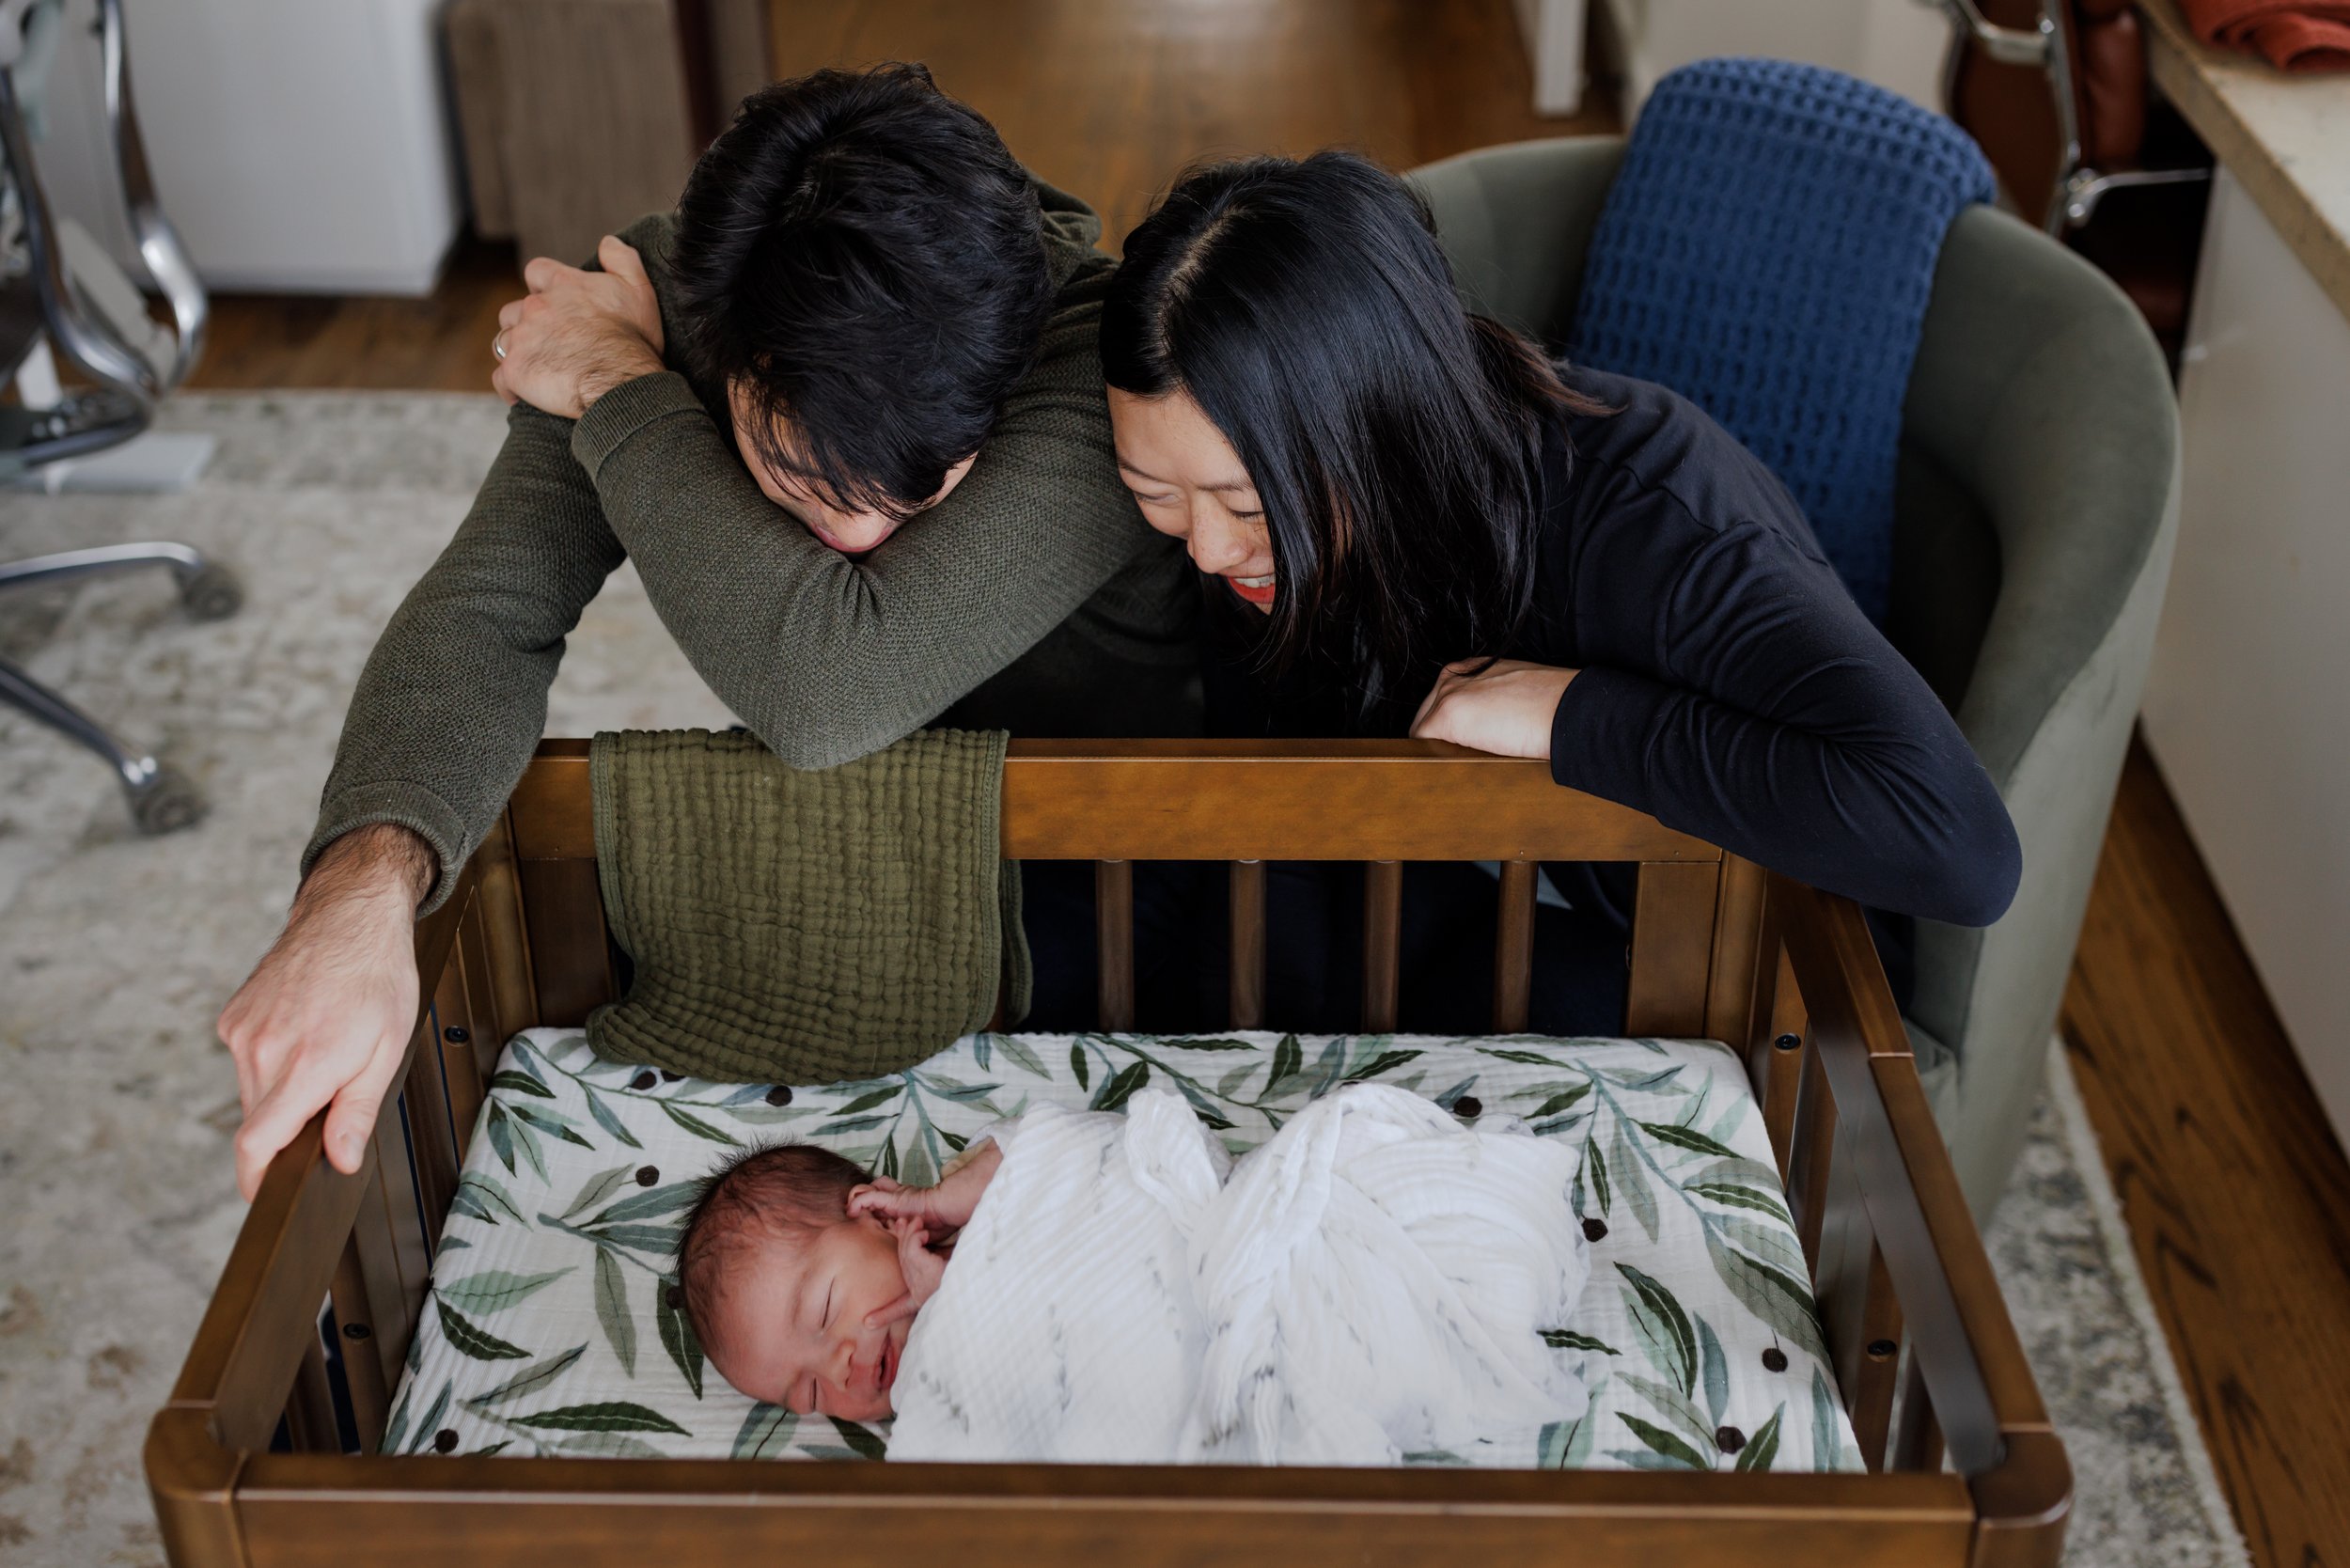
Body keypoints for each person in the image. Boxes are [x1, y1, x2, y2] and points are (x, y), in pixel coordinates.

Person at [214, 64, 1198, 1200]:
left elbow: (823, 691)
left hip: (1155, 853)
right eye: (798, 481)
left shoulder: (1095, 345)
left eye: (918, 495)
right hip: (899, 838)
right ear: (712, 344)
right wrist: (358, 893)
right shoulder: (661, 291)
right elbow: (490, 608)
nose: (854, 537)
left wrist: (618, 386)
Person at [1069, 149, 2021, 1030]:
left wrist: (1570, 714)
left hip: (1724, 932)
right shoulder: (1261, 543)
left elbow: (1960, 849)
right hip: (1471, 874)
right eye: (1155, 492)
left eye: (1243, 501)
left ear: (1381, 427)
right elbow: (1279, 816)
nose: (1203, 549)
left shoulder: (1655, 519)